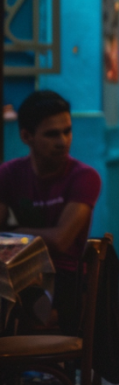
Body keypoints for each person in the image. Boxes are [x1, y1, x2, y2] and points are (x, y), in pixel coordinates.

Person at [0, 91, 102, 332]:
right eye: (52, 134)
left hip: (66, 279)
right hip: (18, 273)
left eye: (67, 131)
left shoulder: (84, 177)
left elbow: (60, 240)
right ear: (26, 136)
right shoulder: (9, 174)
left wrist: (13, 232)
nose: (63, 141)